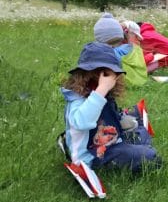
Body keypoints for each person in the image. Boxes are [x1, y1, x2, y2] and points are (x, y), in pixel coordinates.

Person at [61, 42, 161, 173]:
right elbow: (81, 122)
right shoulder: (78, 99)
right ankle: (140, 150)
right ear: (95, 74)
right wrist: (102, 88)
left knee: (141, 132)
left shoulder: (103, 94)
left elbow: (110, 117)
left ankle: (138, 147)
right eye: (109, 74)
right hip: (92, 155)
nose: (114, 79)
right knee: (149, 157)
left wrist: (123, 121)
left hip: (113, 142)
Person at [120, 20, 148, 86]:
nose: (137, 39)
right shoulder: (135, 48)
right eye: (136, 37)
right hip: (137, 81)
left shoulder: (119, 48)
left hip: (127, 81)